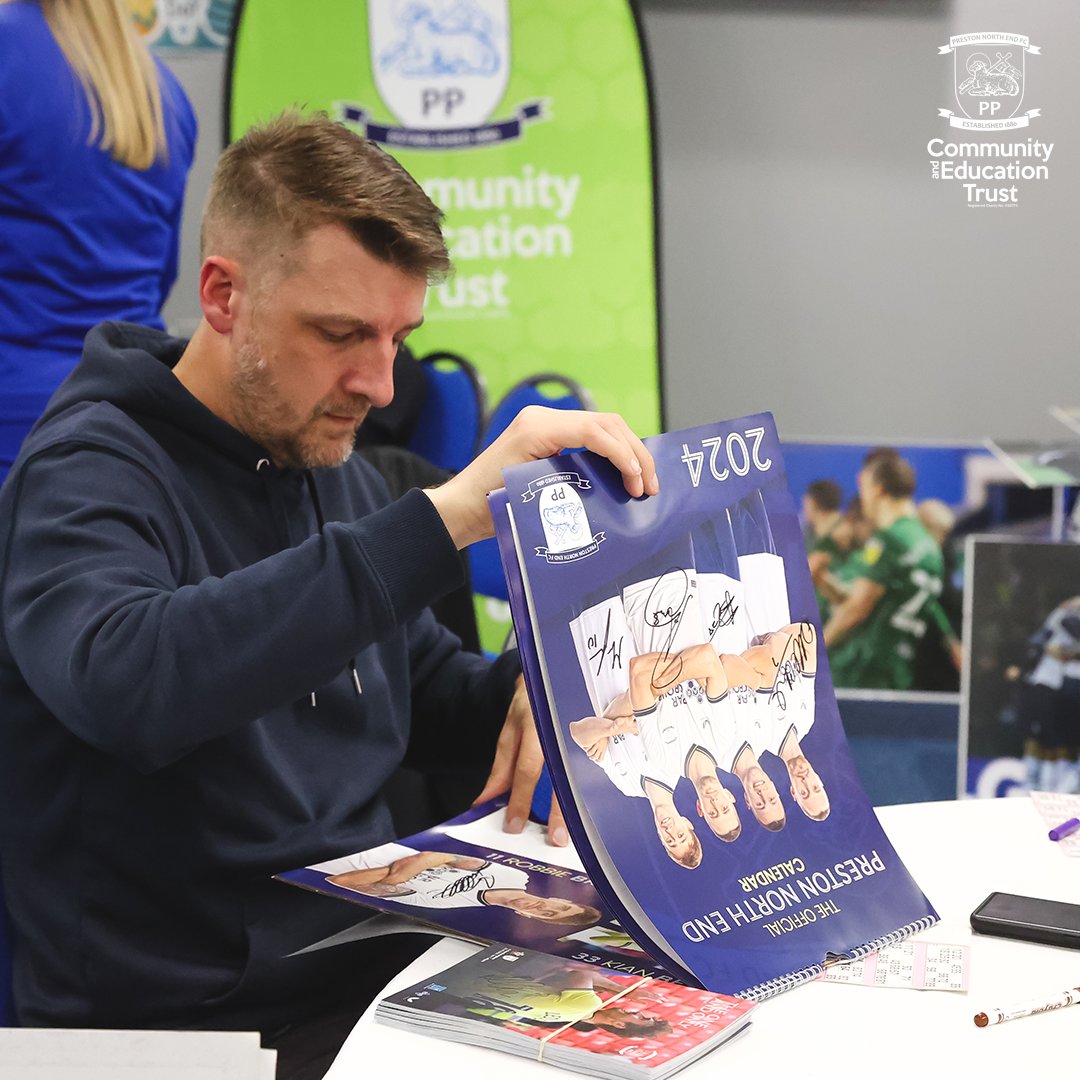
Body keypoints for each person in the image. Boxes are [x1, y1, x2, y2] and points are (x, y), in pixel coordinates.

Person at [0, 110, 659, 1052]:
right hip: (156, 1034)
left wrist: (537, 687)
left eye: (397, 338)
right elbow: (131, 683)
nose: (381, 384)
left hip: (359, 969)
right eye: (343, 333)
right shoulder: (85, 471)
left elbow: (414, 692)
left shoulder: (322, 459)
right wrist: (448, 515)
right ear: (224, 297)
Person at [0, 0, 197, 482]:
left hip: (13, 417)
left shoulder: (7, 50)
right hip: (130, 412)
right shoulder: (160, 90)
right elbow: (163, 271)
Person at [824, 453, 945, 690]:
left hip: (863, 670)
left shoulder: (890, 540)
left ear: (878, 490)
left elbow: (857, 607)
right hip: (898, 669)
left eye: (863, 487)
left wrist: (813, 648)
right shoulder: (929, 545)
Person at [321, 847, 601, 927]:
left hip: (330, 862)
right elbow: (434, 855)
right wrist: (410, 869)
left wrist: (394, 875)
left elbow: (341, 882)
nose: (546, 907)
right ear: (556, 896)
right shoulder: (512, 876)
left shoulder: (441, 904)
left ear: (529, 918)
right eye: (561, 905)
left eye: (550, 915)